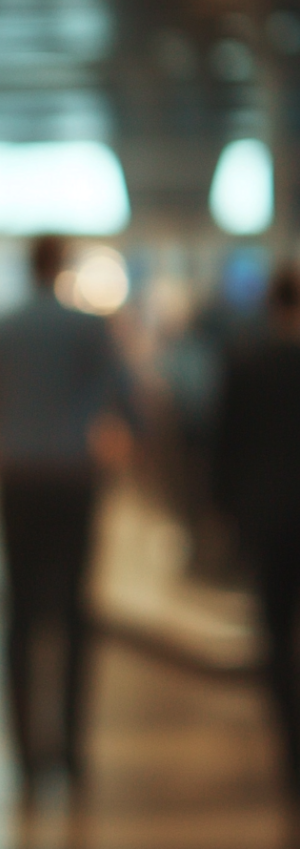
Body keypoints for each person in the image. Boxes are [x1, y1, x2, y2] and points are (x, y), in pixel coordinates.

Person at [0, 235, 134, 793]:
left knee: (19, 613)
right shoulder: (86, 327)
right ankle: (72, 749)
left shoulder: (2, 327)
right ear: (60, 266)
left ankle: (24, 757)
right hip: (72, 478)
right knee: (75, 612)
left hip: (18, 480)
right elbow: (126, 397)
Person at [212, 267, 300, 799]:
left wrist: (224, 511)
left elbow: (228, 444)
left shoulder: (246, 363)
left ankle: (291, 746)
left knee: (275, 635)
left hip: (267, 518)